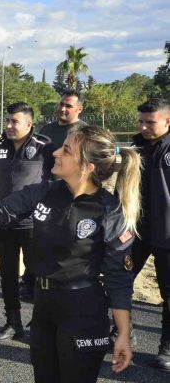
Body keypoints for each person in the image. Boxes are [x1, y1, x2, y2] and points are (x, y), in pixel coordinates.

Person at [0, 125, 140, 382]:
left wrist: (124, 335)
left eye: (66, 150)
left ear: (87, 167)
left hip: (83, 311)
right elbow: (1, 212)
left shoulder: (109, 211)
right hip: (44, 306)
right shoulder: (47, 191)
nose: (56, 153)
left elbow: (119, 279)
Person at [0, 102, 51, 343]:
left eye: (15, 121)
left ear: (29, 124)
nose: (9, 125)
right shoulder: (0, 146)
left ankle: (42, 323)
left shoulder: (44, 147)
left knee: (39, 274)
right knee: (7, 274)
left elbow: (58, 180)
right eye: (8, 120)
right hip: (3, 223)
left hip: (33, 224)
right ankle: (13, 323)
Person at [15, 88, 89, 300]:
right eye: (61, 104)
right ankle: (29, 281)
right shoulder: (47, 129)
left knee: (66, 240)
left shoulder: (84, 132)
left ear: (79, 108)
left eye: (69, 106)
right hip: (45, 191)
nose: (63, 109)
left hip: (71, 194)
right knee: (37, 238)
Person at [129, 98, 170, 370]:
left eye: (150, 122)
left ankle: (166, 348)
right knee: (118, 279)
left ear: (168, 121)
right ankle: (121, 333)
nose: (144, 127)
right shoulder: (136, 147)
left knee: (169, 294)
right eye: (141, 121)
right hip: (136, 232)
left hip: (168, 235)